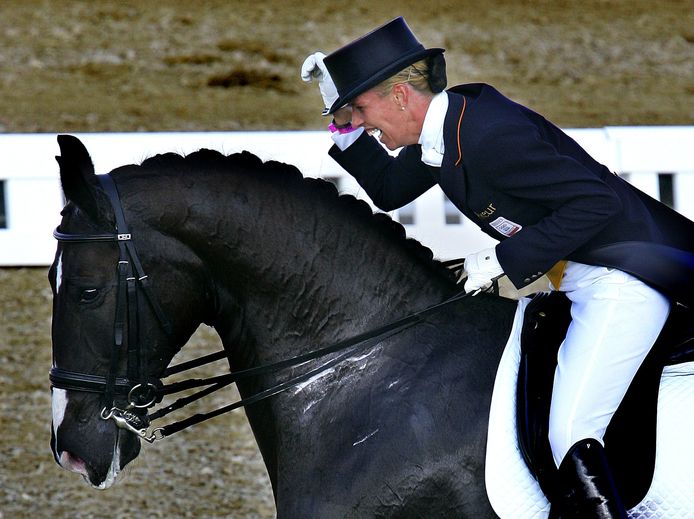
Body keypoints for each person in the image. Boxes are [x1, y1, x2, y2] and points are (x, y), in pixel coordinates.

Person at [301, 16, 694, 518]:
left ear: (400, 95)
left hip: (621, 278)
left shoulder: (488, 134)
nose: (359, 121)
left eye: (359, 108)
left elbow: (595, 203)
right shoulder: (446, 130)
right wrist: (334, 117)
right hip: (573, 280)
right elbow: (389, 189)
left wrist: (502, 260)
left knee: (570, 432)